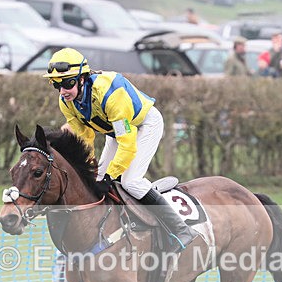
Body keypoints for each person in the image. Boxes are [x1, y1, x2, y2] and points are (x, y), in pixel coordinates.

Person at [43, 48, 196, 251]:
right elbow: (85, 139)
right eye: (56, 85)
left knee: (130, 182)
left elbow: (128, 142)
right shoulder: (67, 102)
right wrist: (90, 170)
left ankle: (181, 229)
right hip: (116, 133)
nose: (62, 90)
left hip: (145, 125)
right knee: (96, 181)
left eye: (68, 83)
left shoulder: (111, 93)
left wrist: (111, 174)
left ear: (82, 78)